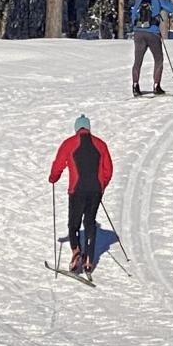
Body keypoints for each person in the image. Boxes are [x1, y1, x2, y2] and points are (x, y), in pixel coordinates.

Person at [49, 115, 114, 273]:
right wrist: (101, 185)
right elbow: (108, 169)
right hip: (95, 190)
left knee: (74, 223)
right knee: (90, 222)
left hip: (76, 190)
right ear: (88, 128)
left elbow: (58, 164)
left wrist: (53, 177)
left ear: (76, 128)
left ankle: (76, 251)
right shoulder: (100, 144)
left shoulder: (69, 144)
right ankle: (89, 259)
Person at [129, 0, 173, 95]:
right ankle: (156, 86)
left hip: (138, 33)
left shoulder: (139, 0)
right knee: (158, 60)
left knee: (137, 61)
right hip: (153, 33)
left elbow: (132, 15)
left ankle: (135, 85)